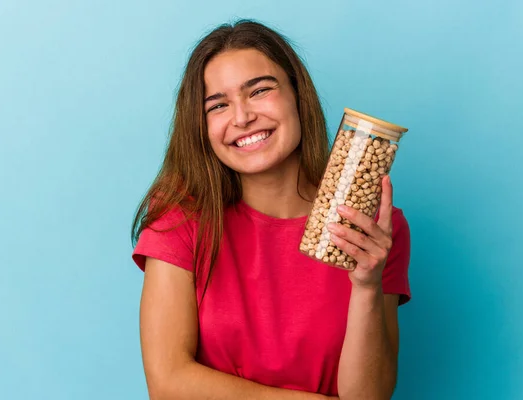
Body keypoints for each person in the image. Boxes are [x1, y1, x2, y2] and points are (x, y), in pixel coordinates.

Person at [131, 19, 411, 400]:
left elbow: (368, 396)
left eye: (260, 90)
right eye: (218, 105)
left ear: (298, 95)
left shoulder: (372, 228)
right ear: (202, 125)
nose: (242, 117)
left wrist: (366, 286)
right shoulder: (181, 220)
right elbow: (168, 384)